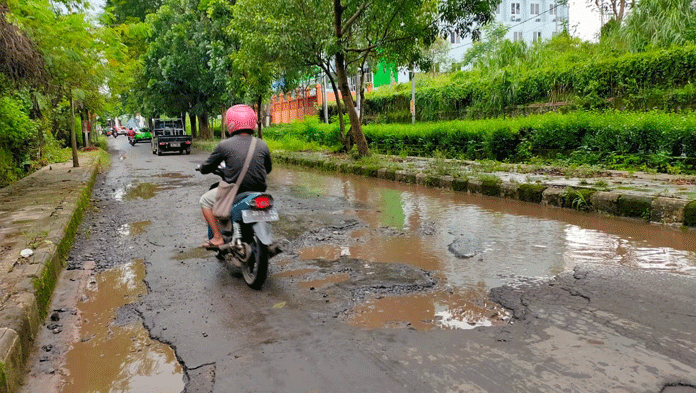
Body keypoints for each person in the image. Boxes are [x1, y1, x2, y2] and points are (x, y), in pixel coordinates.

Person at [199, 104, 272, 248]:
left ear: (230, 123)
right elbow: (268, 169)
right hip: (259, 192)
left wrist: (202, 168)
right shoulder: (262, 144)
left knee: (205, 201)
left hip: (235, 192)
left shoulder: (225, 145)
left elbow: (207, 167)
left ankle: (218, 237)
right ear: (252, 122)